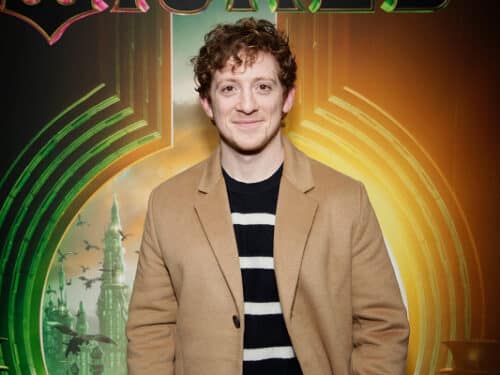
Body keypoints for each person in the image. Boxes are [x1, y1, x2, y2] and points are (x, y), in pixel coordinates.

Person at [127, 18, 409, 375]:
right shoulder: (166, 204)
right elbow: (150, 329)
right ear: (208, 104)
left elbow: (382, 327)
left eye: (263, 86)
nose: (247, 105)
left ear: (288, 97)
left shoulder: (346, 199)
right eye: (229, 88)